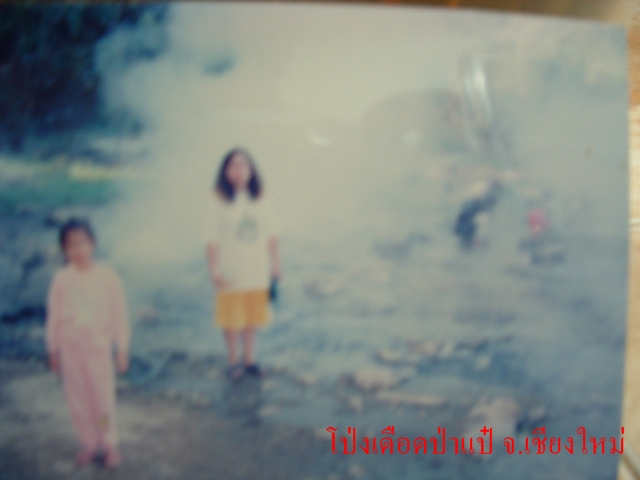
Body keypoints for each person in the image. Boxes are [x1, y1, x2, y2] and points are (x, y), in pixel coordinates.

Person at [46, 218, 130, 468]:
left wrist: (122, 349)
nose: (78, 250)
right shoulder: (61, 279)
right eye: (71, 245)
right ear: (64, 250)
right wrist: (53, 350)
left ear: (93, 244)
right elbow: (53, 318)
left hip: (98, 351)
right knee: (78, 401)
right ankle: (89, 443)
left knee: (102, 401)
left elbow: (119, 315)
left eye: (82, 243)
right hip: (71, 351)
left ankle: (108, 443)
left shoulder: (107, 277)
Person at [203, 148, 281, 380]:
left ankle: (250, 360)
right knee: (231, 319)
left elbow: (272, 234)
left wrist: (276, 263)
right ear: (225, 171)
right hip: (231, 270)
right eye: (233, 165)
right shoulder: (218, 199)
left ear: (251, 169)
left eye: (243, 165)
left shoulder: (261, 197)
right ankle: (233, 360)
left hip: (257, 269)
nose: (238, 170)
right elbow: (210, 239)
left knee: (252, 318)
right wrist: (213, 269)